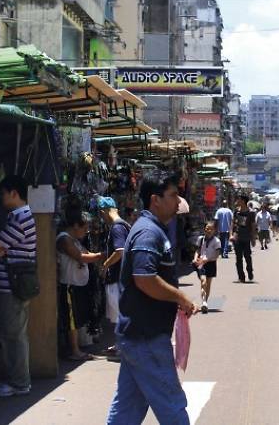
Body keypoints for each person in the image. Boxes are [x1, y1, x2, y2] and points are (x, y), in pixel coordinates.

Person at [107, 171, 197, 425]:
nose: (179, 201)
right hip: (146, 337)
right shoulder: (149, 233)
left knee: (127, 409)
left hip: (138, 335)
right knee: (172, 405)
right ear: (155, 200)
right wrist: (180, 297)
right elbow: (144, 279)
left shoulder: (153, 229)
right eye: (173, 195)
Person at [0, 175, 37, 397]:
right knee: (14, 334)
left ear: (14, 193)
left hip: (11, 287)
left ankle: (19, 383)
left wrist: (2, 249)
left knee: (13, 335)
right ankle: (18, 380)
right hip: (13, 285)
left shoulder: (20, 218)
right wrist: (2, 249)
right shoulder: (19, 218)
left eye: (4, 193)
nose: (2, 197)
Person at [57, 211, 104, 361]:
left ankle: (76, 348)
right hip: (69, 284)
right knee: (72, 319)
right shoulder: (64, 239)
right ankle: (75, 351)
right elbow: (80, 257)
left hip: (76, 284)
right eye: (85, 228)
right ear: (76, 225)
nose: (87, 231)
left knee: (76, 318)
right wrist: (102, 255)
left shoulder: (74, 239)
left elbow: (86, 253)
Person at [98, 196, 132, 359]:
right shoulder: (124, 225)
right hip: (122, 277)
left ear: (104, 212)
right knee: (120, 315)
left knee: (119, 315)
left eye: (101, 214)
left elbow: (120, 251)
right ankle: (120, 345)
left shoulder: (117, 227)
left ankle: (123, 348)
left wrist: (105, 264)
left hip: (118, 278)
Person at [193, 221, 221, 314]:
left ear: (214, 230)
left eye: (210, 229)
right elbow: (197, 250)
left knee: (208, 284)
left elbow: (216, 255)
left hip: (211, 263)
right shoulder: (200, 239)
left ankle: (205, 302)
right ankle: (204, 301)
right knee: (203, 281)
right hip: (201, 263)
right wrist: (195, 258)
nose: (208, 230)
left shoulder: (216, 241)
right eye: (206, 228)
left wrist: (207, 260)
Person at [232, 194, 256, 282]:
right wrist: (231, 234)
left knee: (247, 257)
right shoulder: (236, 212)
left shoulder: (251, 212)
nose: (237, 201)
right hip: (237, 237)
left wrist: (253, 238)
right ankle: (241, 276)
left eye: (238, 199)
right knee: (238, 258)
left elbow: (253, 226)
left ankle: (250, 271)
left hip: (246, 238)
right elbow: (233, 224)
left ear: (243, 201)